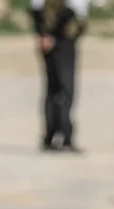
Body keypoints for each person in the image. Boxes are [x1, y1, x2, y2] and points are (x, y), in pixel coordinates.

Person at [30, 0, 88, 152]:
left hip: (56, 39)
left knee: (55, 90)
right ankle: (63, 138)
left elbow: (36, 9)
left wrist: (44, 34)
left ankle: (53, 137)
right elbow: (72, 10)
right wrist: (48, 34)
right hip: (61, 40)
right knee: (64, 90)